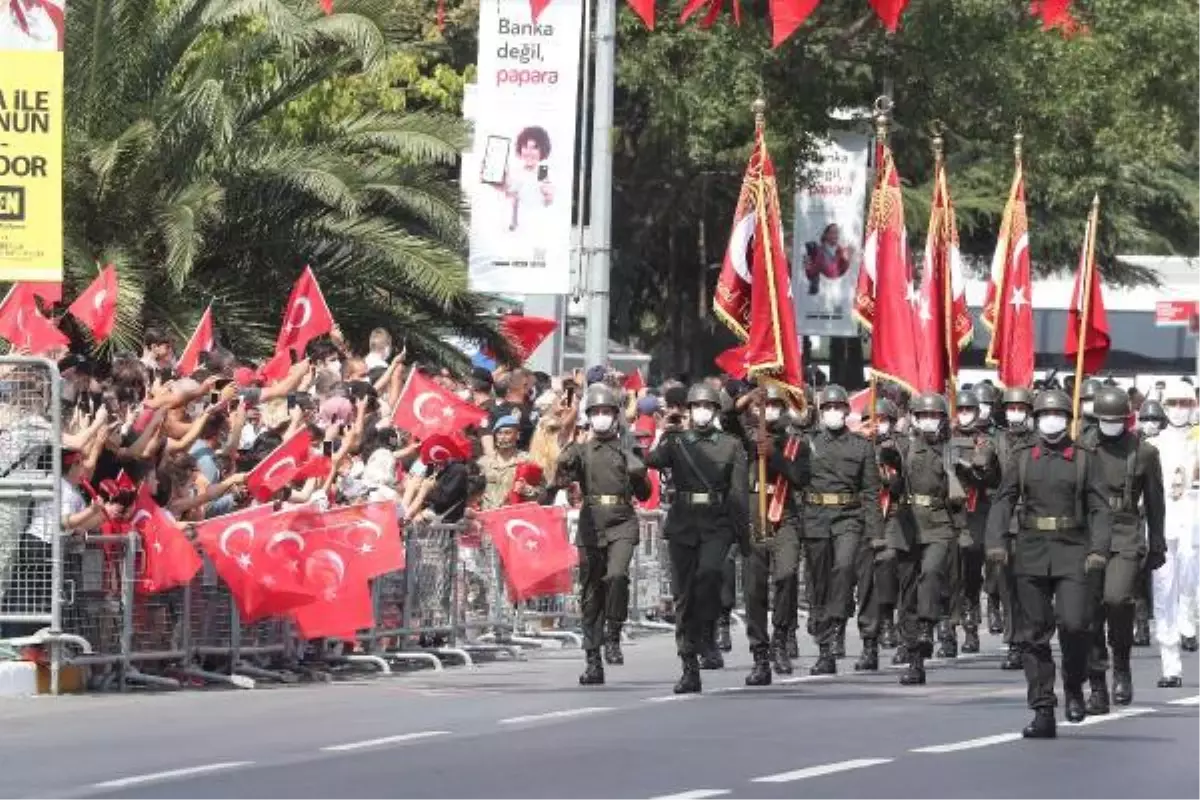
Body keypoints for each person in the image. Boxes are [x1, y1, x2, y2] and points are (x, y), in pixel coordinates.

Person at [985, 389, 1112, 738]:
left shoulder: (1085, 458)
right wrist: (995, 542)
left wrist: (1099, 548)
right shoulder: (1023, 457)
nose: (1050, 420)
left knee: (1074, 624)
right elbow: (1002, 501)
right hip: (1031, 551)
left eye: (1057, 414)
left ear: (1067, 419)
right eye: (1044, 414)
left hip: (1074, 550)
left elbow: (1101, 508)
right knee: (1033, 634)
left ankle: (1073, 684)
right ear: (1036, 419)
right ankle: (1042, 708)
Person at [645, 384, 749, 694]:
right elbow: (650, 461)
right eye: (697, 405)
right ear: (689, 410)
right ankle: (689, 663)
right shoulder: (677, 443)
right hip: (683, 523)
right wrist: (662, 432)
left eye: (708, 405)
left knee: (710, 575)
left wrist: (744, 536)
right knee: (683, 595)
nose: (702, 410)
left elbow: (738, 494)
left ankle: (709, 631)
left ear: (715, 410)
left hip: (717, 523)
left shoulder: (730, 446)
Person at [557, 385, 652, 685]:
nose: (601, 417)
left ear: (615, 416)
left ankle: (614, 630)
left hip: (622, 520)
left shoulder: (628, 449)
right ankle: (593, 660)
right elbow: (561, 477)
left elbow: (645, 492)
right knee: (590, 593)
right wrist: (566, 449)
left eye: (606, 412)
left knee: (616, 576)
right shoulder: (582, 450)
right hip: (591, 521)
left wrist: (638, 473)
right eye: (595, 412)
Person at [1084, 386, 1165, 712]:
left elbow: (1156, 503)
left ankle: (1122, 664)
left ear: (1127, 419)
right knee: (1089, 615)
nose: (1111, 424)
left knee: (1117, 599)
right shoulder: (1084, 446)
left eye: (1117, 420)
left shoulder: (1143, 452)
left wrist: (1157, 541)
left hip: (1126, 532)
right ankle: (1098, 686)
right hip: (1090, 534)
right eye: (1106, 420)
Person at [883, 393, 972, 685]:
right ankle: (914, 659)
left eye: (934, 416)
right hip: (907, 524)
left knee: (932, 573)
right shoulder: (904, 445)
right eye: (923, 416)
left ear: (943, 420)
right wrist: (885, 456)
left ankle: (927, 625)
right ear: (915, 419)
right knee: (907, 592)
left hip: (939, 523)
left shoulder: (952, 449)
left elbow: (973, 481)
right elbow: (887, 458)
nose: (928, 421)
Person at [798, 385, 882, 675]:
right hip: (816, 518)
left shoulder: (861, 446)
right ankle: (825, 649)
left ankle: (848, 632)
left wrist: (875, 533)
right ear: (821, 413)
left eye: (837, 407)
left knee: (844, 569)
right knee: (819, 583)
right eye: (827, 408)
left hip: (849, 517)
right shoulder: (808, 443)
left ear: (847, 411)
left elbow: (871, 491)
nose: (833, 412)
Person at [741, 386, 809, 685]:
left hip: (786, 520)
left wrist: (776, 457)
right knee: (754, 589)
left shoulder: (797, 445)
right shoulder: (747, 441)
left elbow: (801, 478)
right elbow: (730, 419)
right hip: (755, 521)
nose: (770, 412)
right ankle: (759, 652)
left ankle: (781, 637)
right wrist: (746, 401)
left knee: (787, 575)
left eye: (775, 407)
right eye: (764, 406)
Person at [941, 389, 1001, 657]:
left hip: (976, 512)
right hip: (948, 513)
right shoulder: (944, 440)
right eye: (960, 410)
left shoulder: (985, 441)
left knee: (971, 570)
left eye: (969, 411)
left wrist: (969, 465)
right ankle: (947, 631)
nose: (964, 415)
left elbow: (988, 477)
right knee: (946, 573)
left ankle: (971, 625)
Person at [1150, 382, 1200, 687]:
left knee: (1189, 585)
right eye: (1174, 403)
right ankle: (1170, 665)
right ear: (1166, 407)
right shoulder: (1152, 445)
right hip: (1163, 523)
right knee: (1163, 591)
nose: (1180, 408)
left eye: (1185, 402)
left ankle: (1189, 622)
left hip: (1194, 523)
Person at [852, 397, 902, 671]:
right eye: (873, 420)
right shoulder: (858, 446)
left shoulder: (901, 445)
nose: (878, 426)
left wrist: (888, 465)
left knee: (887, 560)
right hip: (863, 516)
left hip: (893, 514)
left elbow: (898, 484)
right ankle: (871, 635)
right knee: (866, 576)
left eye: (883, 420)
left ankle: (887, 617)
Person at [1133, 398, 1169, 646]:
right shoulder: (1134, 446)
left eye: (1154, 419)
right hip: (1137, 513)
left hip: (1165, 511)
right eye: (1145, 419)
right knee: (1138, 572)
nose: (1150, 424)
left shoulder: (1171, 445)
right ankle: (1142, 624)